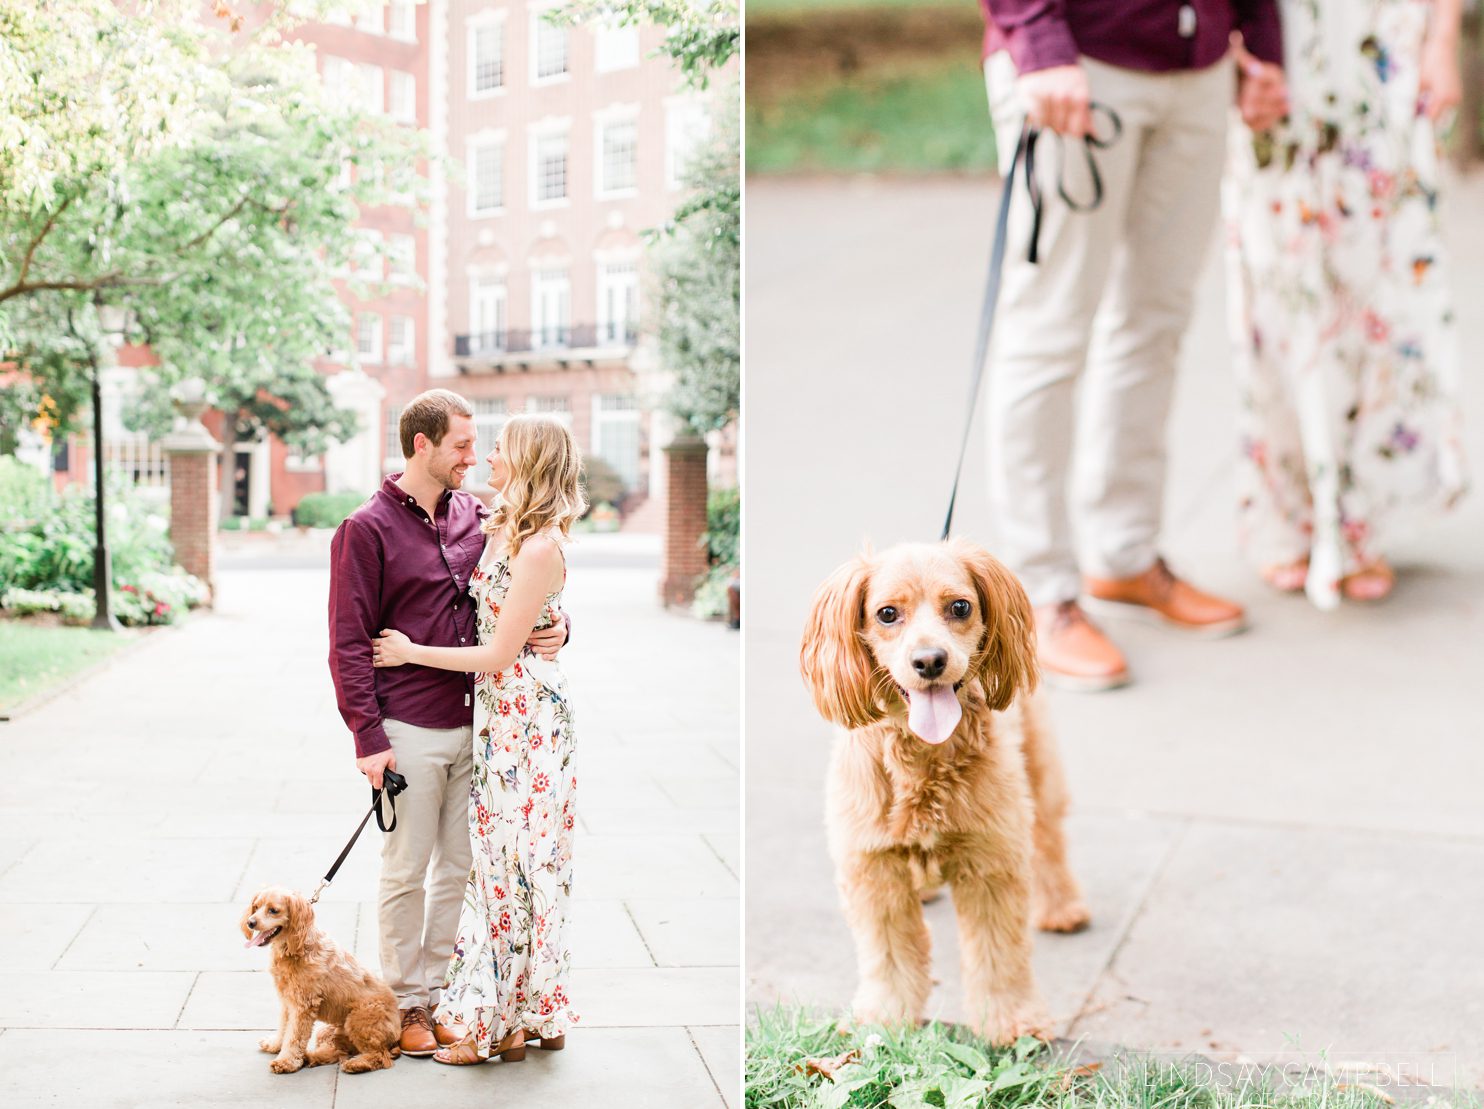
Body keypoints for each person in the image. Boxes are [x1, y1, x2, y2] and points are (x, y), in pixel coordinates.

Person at [979, 1, 1288, 690]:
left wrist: (1263, 43)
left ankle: (1123, 555)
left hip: (1202, 67)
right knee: (1048, 333)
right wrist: (1038, 40)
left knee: (1156, 323)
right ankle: (1038, 591)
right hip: (1079, 61)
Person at [328, 389, 568, 1058]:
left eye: (477, 443)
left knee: (462, 869)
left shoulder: (482, 516)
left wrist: (560, 629)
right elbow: (347, 643)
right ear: (421, 445)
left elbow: (524, 593)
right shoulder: (365, 529)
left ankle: (441, 997)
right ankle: (405, 1000)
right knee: (406, 868)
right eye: (462, 444)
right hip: (409, 727)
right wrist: (368, 739)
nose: (474, 455)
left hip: (488, 729)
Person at [1225, 0, 1468, 608]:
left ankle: (1363, 520)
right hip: (1279, 42)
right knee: (1281, 287)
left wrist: (1442, 42)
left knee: (1380, 293)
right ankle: (1286, 510)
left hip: (1382, 49)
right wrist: (1232, 50)